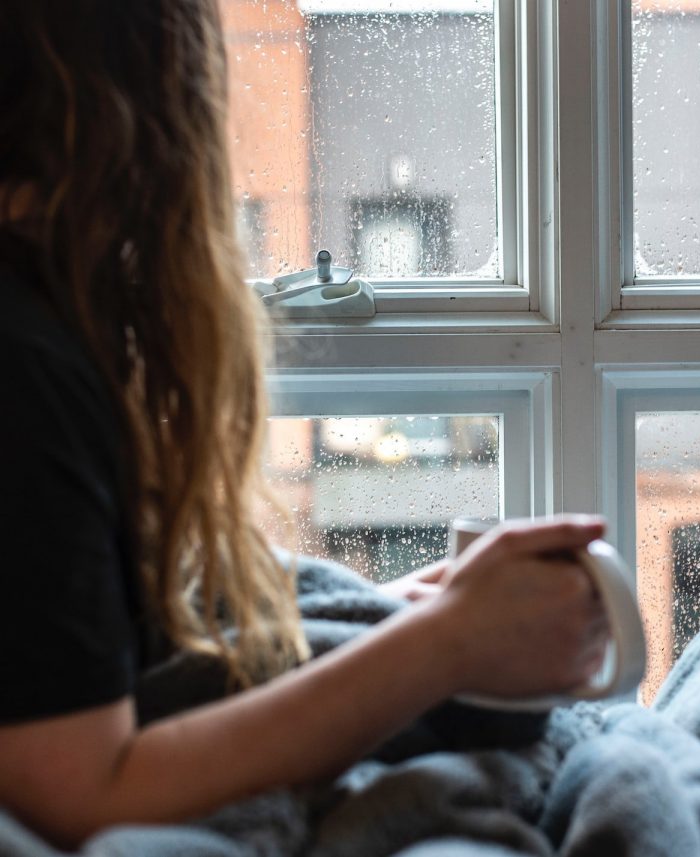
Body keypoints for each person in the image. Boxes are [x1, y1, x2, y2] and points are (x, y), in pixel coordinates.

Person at [0, 1, 609, 849]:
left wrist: (394, 619)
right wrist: (443, 645)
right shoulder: (25, 370)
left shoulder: (46, 331)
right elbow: (80, 791)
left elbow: (72, 668)